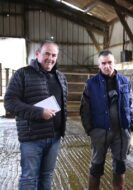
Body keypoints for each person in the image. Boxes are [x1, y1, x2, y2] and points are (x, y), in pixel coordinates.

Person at [4, 40, 68, 190]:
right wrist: (39, 113)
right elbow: (10, 102)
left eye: (54, 55)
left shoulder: (61, 77)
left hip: (54, 137)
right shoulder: (23, 74)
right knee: (29, 177)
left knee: (47, 176)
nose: (50, 58)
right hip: (32, 138)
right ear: (37, 54)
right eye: (47, 53)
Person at [80, 50, 133, 190]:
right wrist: (90, 130)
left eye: (109, 62)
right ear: (99, 65)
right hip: (100, 132)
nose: (107, 66)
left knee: (120, 166)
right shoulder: (91, 84)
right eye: (103, 63)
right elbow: (84, 109)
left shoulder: (125, 81)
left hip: (121, 132)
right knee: (96, 166)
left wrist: (131, 126)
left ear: (114, 63)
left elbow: (131, 103)